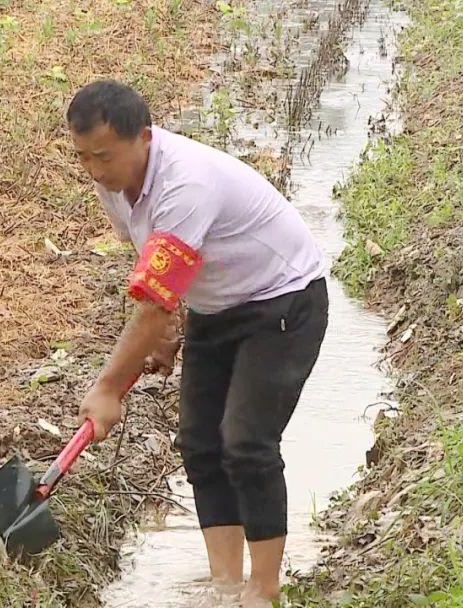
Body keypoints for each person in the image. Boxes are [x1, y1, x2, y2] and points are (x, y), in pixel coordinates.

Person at [69, 80, 328, 606]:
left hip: (282, 300)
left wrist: (108, 389)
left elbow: (153, 304)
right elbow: (152, 267)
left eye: (104, 156)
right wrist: (162, 334)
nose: (95, 171)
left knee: (246, 442)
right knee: (201, 445)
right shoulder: (114, 182)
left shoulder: (186, 184)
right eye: (83, 158)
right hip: (216, 306)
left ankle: (264, 590)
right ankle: (225, 585)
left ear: (144, 137)